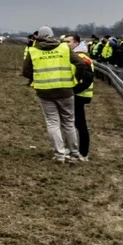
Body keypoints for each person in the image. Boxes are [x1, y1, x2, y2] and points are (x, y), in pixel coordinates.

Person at [22, 25, 85, 163]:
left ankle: (59, 154)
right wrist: (75, 79)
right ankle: (74, 154)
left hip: (44, 91)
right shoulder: (64, 48)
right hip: (65, 90)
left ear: (38, 36)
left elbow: (25, 71)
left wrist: (37, 77)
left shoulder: (33, 51)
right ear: (52, 35)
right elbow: (80, 64)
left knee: (52, 123)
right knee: (69, 122)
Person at [67, 33, 95, 161]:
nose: (65, 44)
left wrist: (72, 91)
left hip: (79, 95)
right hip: (77, 94)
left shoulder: (81, 58)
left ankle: (83, 153)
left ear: (76, 43)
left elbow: (87, 79)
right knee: (73, 123)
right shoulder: (76, 56)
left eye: (69, 42)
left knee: (80, 124)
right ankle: (75, 150)